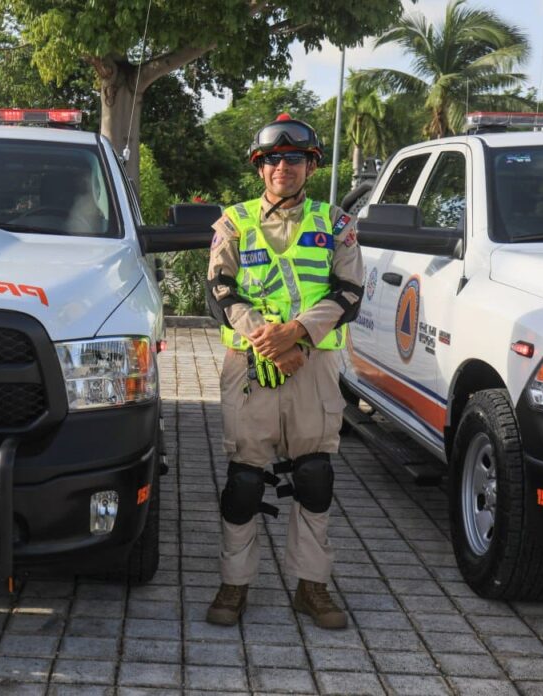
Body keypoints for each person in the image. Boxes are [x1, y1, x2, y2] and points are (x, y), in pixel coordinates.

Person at [205, 114, 364, 630]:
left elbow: (350, 293)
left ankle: (312, 587)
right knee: (245, 482)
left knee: (314, 476)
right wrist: (268, 341)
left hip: (312, 365)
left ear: (310, 166)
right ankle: (234, 586)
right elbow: (220, 291)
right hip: (251, 365)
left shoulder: (336, 223)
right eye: (273, 159)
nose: (283, 167)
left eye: (294, 159)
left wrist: (296, 332)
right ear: (260, 168)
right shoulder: (233, 222)